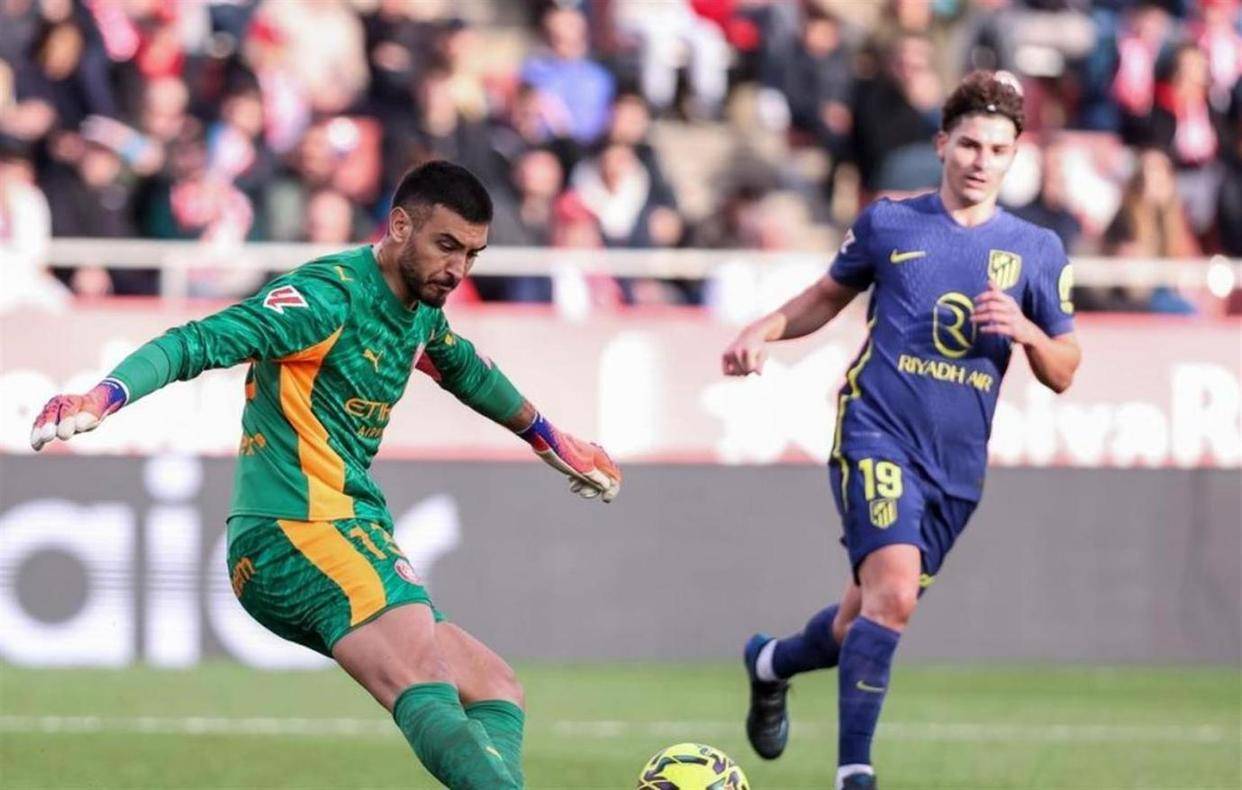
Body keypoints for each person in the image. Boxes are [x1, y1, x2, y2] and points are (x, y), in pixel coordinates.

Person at [29, 161, 622, 790]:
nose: (457, 269)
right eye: (446, 245)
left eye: (472, 254)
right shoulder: (327, 298)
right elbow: (195, 341)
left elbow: (465, 369)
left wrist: (551, 438)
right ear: (400, 226)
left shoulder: (420, 305)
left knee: (495, 688)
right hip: (296, 528)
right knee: (425, 681)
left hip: (346, 522)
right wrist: (102, 396)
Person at [722, 71, 1081, 790]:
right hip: (876, 431)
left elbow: (1066, 369)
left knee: (860, 622)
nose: (981, 160)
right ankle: (855, 775)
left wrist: (1028, 334)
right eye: (970, 144)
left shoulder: (1037, 250)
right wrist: (765, 328)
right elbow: (827, 295)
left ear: (1015, 157)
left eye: (998, 150)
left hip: (958, 466)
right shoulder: (891, 223)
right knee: (894, 598)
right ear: (942, 144)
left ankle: (770, 663)